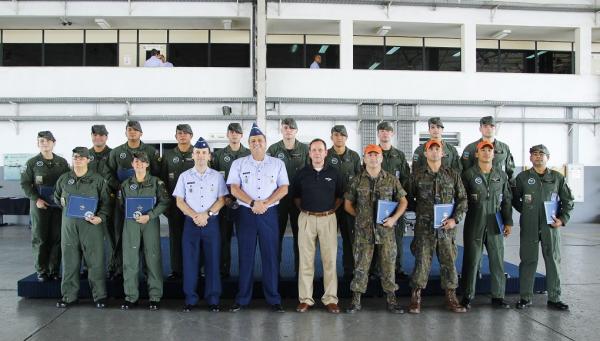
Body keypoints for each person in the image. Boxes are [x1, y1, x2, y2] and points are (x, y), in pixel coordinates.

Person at [227, 123, 289, 313]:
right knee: (245, 257)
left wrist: (266, 203)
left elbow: (284, 188)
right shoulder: (239, 163)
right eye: (253, 140)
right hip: (246, 214)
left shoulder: (277, 163)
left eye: (260, 140)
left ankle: (274, 299)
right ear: (248, 143)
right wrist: (254, 203)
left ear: (266, 143)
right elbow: (234, 188)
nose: (256, 143)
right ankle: (242, 299)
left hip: (269, 214)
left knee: (270, 257)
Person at [344, 144, 407, 314]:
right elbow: (347, 204)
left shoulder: (391, 179)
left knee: (388, 266)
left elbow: (403, 201)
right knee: (361, 266)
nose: (373, 158)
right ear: (364, 159)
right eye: (369, 155)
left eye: (376, 155)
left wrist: (394, 218)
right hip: (364, 233)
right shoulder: (356, 180)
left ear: (381, 158)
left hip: (385, 232)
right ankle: (355, 300)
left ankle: (391, 300)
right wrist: (360, 216)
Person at [407, 140, 468, 314]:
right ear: (425, 153)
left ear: (442, 153)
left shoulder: (452, 175)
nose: (434, 152)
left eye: (437, 149)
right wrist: (420, 212)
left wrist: (455, 219)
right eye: (430, 149)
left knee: (448, 261)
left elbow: (463, 199)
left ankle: (451, 297)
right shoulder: (416, 175)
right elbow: (408, 198)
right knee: (421, 261)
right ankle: (416, 297)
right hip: (424, 228)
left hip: (446, 228)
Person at [512, 144, 574, 311]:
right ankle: (525, 297)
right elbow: (515, 199)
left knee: (553, 260)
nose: (538, 156)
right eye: (534, 154)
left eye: (541, 154)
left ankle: (554, 297)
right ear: (530, 158)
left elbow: (568, 201)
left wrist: (562, 219)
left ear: (548, 157)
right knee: (528, 261)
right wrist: (526, 211)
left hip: (550, 226)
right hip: (529, 225)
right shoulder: (522, 178)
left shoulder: (557, 178)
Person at [173, 137, 228, 312]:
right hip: (191, 223)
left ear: (209, 156)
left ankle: (213, 299)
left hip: (211, 223)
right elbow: (179, 202)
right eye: (198, 152)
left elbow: (222, 200)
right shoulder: (184, 176)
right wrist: (195, 215)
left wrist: (208, 214)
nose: (201, 156)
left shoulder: (217, 177)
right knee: (190, 261)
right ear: (193, 155)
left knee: (213, 261)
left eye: (204, 153)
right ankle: (190, 299)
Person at [54, 147, 111, 309]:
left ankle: (99, 296)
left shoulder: (98, 180)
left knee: (95, 261)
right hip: (69, 226)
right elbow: (58, 198)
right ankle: (69, 296)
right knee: (70, 261)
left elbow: (106, 202)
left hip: (91, 226)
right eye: (75, 157)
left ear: (88, 160)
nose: (77, 160)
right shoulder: (64, 179)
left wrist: (101, 217)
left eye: (81, 157)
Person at [460, 141, 513, 310]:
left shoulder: (501, 176)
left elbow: (506, 200)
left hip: (495, 221)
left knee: (497, 259)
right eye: (483, 150)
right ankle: (467, 296)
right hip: (474, 220)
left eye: (489, 150)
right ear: (477, 154)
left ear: (493, 154)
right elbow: (461, 199)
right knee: (471, 259)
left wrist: (508, 222)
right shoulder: (468, 175)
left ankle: (498, 296)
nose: (486, 153)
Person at [292, 138, 343, 314]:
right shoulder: (301, 173)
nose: (317, 153)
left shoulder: (334, 173)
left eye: (320, 150)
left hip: (328, 219)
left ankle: (330, 299)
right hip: (306, 218)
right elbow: (296, 197)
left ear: (326, 152)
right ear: (309, 153)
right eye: (314, 150)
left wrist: (329, 212)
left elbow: (340, 197)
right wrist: (307, 212)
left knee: (330, 260)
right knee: (305, 261)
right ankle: (305, 299)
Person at [106, 120, 161, 279]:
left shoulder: (151, 151)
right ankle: (119, 269)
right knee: (120, 234)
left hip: (146, 201)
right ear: (125, 132)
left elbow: (157, 173)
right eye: (129, 130)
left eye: (136, 130)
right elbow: (108, 173)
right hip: (123, 200)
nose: (132, 132)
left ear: (141, 133)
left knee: (147, 239)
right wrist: (121, 186)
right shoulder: (116, 152)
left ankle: (146, 270)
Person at [119, 152, 170, 311]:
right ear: (132, 165)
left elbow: (165, 202)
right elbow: (121, 205)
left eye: (142, 161)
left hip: (150, 223)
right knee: (130, 260)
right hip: (131, 224)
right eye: (136, 161)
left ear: (147, 164)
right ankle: (131, 297)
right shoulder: (125, 184)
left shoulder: (156, 183)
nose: (139, 164)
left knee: (152, 258)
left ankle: (154, 297)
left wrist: (151, 215)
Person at [20, 131, 70, 282]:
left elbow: (67, 183)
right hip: (39, 205)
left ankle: (54, 270)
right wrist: (36, 199)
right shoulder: (32, 163)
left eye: (48, 141)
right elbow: (25, 183)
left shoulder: (62, 162)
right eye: (42, 141)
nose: (45, 143)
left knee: (56, 237)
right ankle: (41, 271)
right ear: (38, 144)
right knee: (40, 238)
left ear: (54, 143)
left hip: (57, 205)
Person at [266, 117, 309, 276]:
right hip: (278, 200)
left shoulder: (305, 149)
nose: (288, 130)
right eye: (285, 127)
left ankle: (300, 272)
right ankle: (274, 272)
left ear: (296, 130)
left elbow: (310, 174)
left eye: (291, 128)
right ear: (281, 130)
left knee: (301, 239)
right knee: (275, 237)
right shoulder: (273, 149)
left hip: (299, 200)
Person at [211, 123, 250, 278]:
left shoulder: (248, 154)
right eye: (231, 132)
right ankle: (223, 270)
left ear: (241, 135)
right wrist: (223, 198)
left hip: (245, 203)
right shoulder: (219, 155)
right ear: (227, 134)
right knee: (223, 238)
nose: (234, 135)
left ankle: (244, 271)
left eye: (237, 132)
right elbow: (214, 179)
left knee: (245, 238)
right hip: (224, 203)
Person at [325, 125, 362, 278]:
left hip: (348, 204)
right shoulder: (325, 155)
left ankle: (349, 270)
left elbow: (360, 180)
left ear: (346, 137)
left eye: (342, 135)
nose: (339, 137)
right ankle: (329, 273)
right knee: (329, 241)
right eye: (336, 134)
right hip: (330, 205)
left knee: (350, 239)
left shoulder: (354, 156)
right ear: (331, 137)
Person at [160, 124, 195, 280]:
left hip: (195, 206)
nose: (182, 136)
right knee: (175, 237)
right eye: (179, 133)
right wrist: (166, 205)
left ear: (191, 136)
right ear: (176, 136)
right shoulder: (167, 156)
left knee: (194, 237)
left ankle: (196, 268)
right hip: (174, 205)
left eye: (186, 133)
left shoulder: (198, 153)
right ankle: (176, 269)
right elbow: (162, 181)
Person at [377, 121, 411, 279]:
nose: (385, 133)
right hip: (377, 204)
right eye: (382, 131)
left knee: (397, 237)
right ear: (378, 134)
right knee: (377, 238)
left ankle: (397, 268)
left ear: (392, 134)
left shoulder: (399, 155)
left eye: (388, 131)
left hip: (396, 204)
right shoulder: (373, 153)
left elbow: (405, 179)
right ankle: (377, 270)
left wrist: (402, 199)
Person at [88, 124, 116, 278]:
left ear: (106, 137)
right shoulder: (85, 155)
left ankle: (113, 267)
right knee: (89, 238)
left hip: (109, 202)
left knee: (112, 236)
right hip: (89, 203)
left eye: (101, 135)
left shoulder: (114, 154)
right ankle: (90, 267)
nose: (98, 137)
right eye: (95, 134)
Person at [461, 116, 515, 180]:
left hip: (499, 186)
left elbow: (510, 171)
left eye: (492, 126)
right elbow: (464, 171)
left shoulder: (504, 148)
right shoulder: (470, 148)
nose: (489, 129)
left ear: (495, 128)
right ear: (480, 129)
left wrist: (512, 187)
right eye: (485, 126)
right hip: (477, 186)